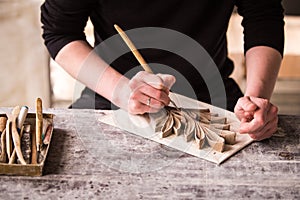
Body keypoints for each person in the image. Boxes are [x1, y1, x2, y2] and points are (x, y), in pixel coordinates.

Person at [41, 0, 284, 141]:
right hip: (110, 92)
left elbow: (263, 16)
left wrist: (255, 99)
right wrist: (121, 90)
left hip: (211, 93)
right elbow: (60, 31)